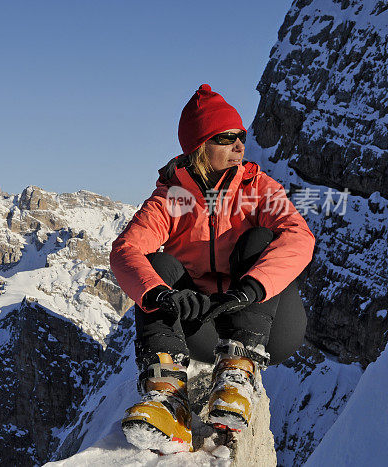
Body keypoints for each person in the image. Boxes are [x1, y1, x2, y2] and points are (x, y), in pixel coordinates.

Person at [109, 84, 315, 453]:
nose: (240, 146)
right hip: (201, 325)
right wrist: (162, 294)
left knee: (261, 240)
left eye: (241, 137)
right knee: (157, 265)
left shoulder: (259, 189)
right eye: (226, 138)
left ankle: (237, 373)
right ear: (200, 146)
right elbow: (126, 250)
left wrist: (250, 288)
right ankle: (168, 399)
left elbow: (299, 237)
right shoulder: (171, 197)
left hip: (268, 325)